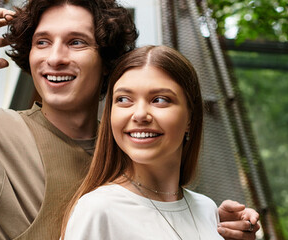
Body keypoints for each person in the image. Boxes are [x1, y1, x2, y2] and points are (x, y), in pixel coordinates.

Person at [0, 0, 260, 239]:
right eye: (42, 42)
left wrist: (207, 224)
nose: (55, 57)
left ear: (107, 57)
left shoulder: (133, 139)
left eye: (76, 42)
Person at [62, 45, 219, 239]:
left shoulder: (207, 209)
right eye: (124, 99)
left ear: (190, 118)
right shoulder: (98, 210)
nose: (140, 115)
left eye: (160, 100)